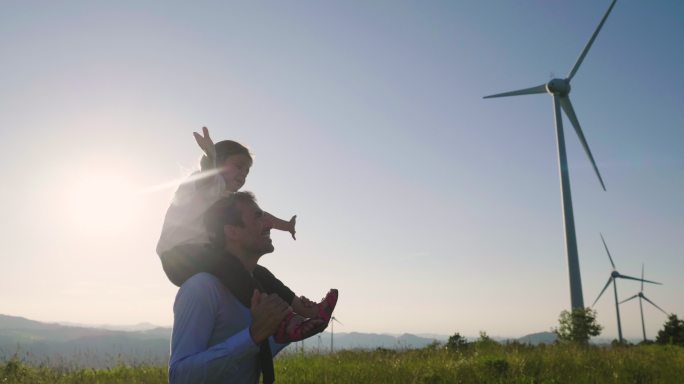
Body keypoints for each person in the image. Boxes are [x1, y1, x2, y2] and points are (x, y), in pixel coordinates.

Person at [157, 127, 337, 342]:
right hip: (178, 255)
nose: (243, 175)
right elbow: (207, 177)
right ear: (219, 164)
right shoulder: (201, 183)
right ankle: (283, 322)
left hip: (198, 253)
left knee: (258, 272)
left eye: (247, 171)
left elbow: (260, 216)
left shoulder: (222, 195)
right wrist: (210, 157)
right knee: (231, 266)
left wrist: (286, 226)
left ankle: (306, 309)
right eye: (238, 166)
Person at [169, 191, 307, 383]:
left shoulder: (254, 289)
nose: (269, 225)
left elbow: (245, 364)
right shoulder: (201, 288)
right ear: (232, 231)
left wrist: (287, 335)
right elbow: (179, 377)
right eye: (259, 217)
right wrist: (253, 335)